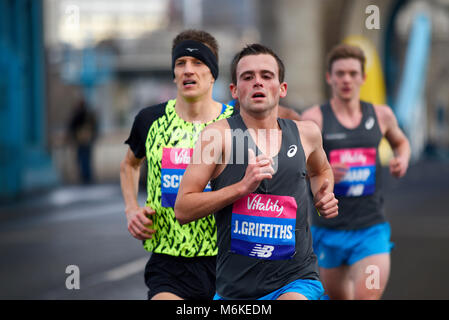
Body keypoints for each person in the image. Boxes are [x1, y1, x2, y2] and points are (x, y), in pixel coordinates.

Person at [175, 43, 338, 300]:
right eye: (247, 77)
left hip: (295, 280)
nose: (257, 83)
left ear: (282, 89)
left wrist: (322, 196)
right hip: (235, 290)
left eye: (266, 76)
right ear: (235, 90)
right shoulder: (217, 137)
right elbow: (183, 209)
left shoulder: (306, 133)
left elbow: (321, 171)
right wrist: (240, 188)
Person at [119, 29, 236, 300]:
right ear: (173, 73)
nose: (188, 70)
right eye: (181, 63)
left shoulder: (236, 122)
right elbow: (129, 165)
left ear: (213, 72)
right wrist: (131, 209)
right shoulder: (150, 120)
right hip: (169, 262)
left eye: (198, 63)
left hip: (228, 259)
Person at [301, 43, 411, 300]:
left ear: (363, 77)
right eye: (340, 73)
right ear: (330, 78)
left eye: (352, 73)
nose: (346, 79)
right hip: (328, 230)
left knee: (367, 296)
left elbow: (401, 142)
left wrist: (402, 159)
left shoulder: (382, 115)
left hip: (370, 228)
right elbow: (292, 163)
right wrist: (321, 169)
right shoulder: (314, 118)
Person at [67, 98, 98, 184]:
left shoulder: (77, 114)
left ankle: (84, 176)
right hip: (87, 140)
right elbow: (94, 126)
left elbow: (71, 126)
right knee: (87, 158)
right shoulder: (88, 114)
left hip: (80, 140)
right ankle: (87, 176)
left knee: (81, 158)